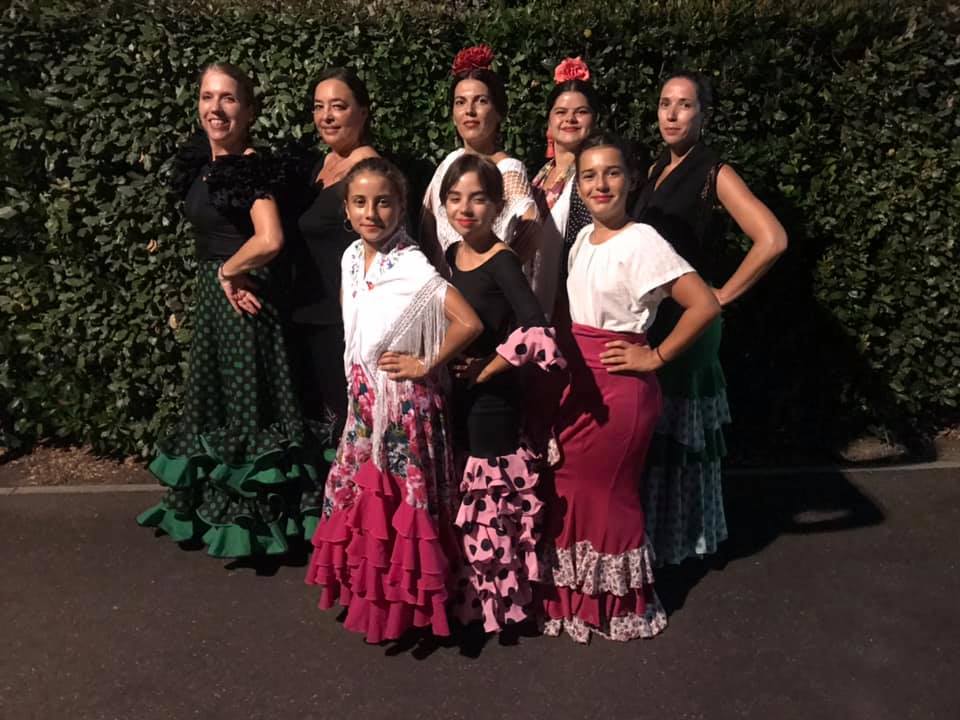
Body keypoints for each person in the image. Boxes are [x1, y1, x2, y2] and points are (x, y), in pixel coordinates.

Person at [541, 131, 721, 643]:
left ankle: (618, 604)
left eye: (612, 173)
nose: (600, 184)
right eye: (589, 175)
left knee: (608, 496)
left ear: (631, 180)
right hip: (579, 383)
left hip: (620, 388)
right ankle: (576, 600)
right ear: (578, 186)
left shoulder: (643, 241)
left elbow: (704, 305)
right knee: (569, 489)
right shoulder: (581, 240)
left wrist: (655, 356)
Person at [137, 63, 321, 556]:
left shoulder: (248, 167)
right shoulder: (204, 162)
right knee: (219, 402)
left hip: (244, 302)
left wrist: (229, 271)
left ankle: (256, 524)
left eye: (228, 98)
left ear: (250, 110)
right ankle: (214, 512)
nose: (215, 108)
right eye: (207, 97)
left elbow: (270, 238)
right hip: (217, 300)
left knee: (248, 406)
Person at [304, 157, 483, 644]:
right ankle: (374, 598)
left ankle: (410, 611)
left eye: (383, 202)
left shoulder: (411, 265)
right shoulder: (350, 257)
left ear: (401, 207)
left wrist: (425, 362)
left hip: (405, 408)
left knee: (403, 508)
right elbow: (355, 319)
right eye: (360, 202)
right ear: (346, 209)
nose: (371, 213)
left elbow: (468, 322)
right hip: (365, 401)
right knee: (363, 498)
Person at [633, 71, 788, 566]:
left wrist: (721, 296)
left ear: (703, 114)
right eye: (665, 103)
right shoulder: (655, 166)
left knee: (679, 442)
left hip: (690, 323)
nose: (672, 114)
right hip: (657, 320)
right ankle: (657, 541)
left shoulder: (713, 171)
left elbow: (772, 239)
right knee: (657, 438)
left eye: (684, 105)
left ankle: (682, 544)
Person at [439, 154, 566, 633]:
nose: (465, 208)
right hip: (461, 397)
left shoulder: (503, 260)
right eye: (455, 199)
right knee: (468, 505)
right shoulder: (452, 256)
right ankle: (473, 602)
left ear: (497, 206)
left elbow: (537, 329)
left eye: (477, 198)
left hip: (494, 403)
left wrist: (488, 368)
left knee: (492, 508)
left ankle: (503, 607)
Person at [290, 67, 379, 448]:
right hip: (309, 315)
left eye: (338, 106)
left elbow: (386, 248)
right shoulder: (322, 165)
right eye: (318, 106)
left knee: (348, 431)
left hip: (342, 324)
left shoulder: (369, 171)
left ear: (363, 112)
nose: (326, 116)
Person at [420, 45, 542, 301]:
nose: (470, 111)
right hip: (443, 295)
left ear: (498, 112)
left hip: (483, 302)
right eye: (460, 102)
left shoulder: (507, 169)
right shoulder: (449, 163)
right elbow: (428, 226)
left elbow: (531, 228)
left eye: (481, 101)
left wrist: (495, 277)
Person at [530, 57, 597, 312]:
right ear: (549, 121)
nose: (570, 119)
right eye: (561, 112)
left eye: (581, 112)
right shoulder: (541, 174)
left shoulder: (591, 177)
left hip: (569, 304)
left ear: (593, 120)